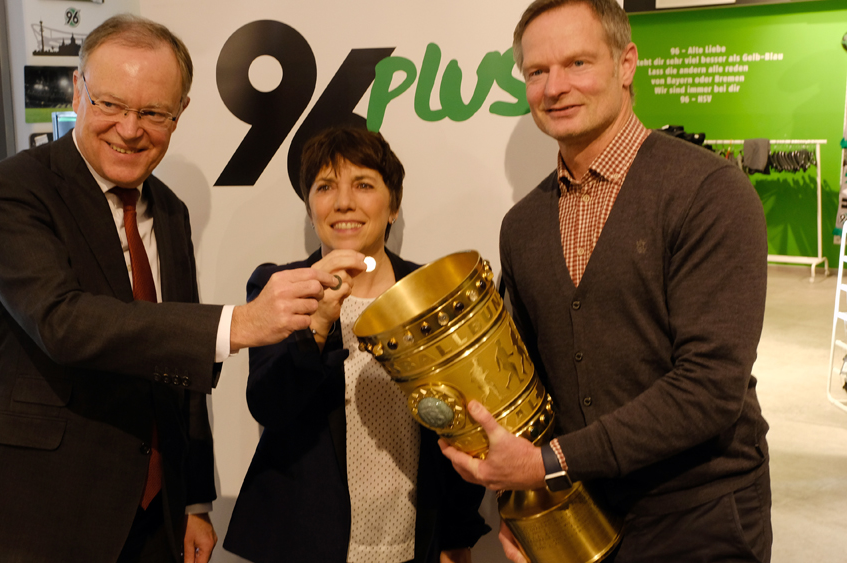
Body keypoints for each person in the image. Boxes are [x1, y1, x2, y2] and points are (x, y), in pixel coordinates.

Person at [0, 14, 354, 563]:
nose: (130, 129)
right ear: (78, 90)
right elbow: (64, 323)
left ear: (180, 112)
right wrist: (241, 322)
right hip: (37, 510)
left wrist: (195, 500)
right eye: (110, 104)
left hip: (154, 515)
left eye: (153, 112)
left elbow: (180, 369)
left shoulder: (170, 209)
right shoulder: (7, 191)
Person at [439, 1, 772, 562]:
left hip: (702, 514)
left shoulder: (709, 192)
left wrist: (549, 465)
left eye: (577, 63)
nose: (555, 87)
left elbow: (711, 386)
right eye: (537, 71)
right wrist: (525, 507)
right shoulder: (522, 225)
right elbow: (533, 386)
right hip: (583, 511)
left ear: (626, 64)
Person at [223, 128, 489, 563]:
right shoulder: (280, 286)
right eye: (325, 187)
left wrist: (456, 536)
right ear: (310, 208)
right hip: (304, 545)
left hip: (411, 542)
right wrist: (319, 323)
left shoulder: (430, 293)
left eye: (363, 185)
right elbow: (269, 405)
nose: (344, 202)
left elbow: (462, 424)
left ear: (393, 205)